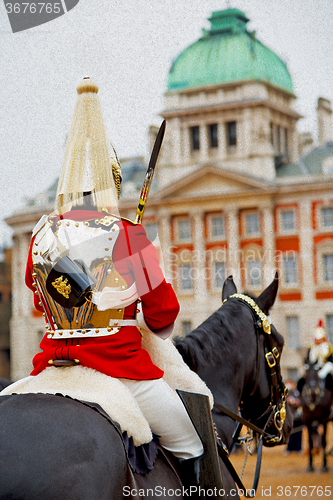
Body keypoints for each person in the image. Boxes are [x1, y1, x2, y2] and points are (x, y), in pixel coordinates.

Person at [24, 77, 224, 496]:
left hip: (51, 364)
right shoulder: (129, 235)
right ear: (110, 183)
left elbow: (40, 295)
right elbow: (163, 314)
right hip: (120, 367)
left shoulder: (41, 236)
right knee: (191, 444)